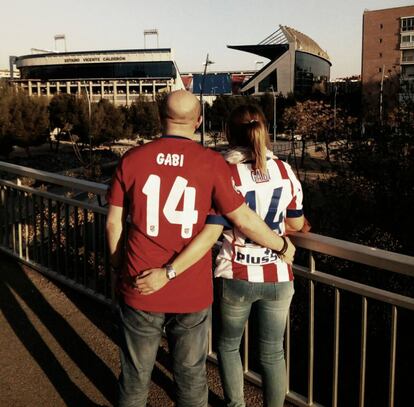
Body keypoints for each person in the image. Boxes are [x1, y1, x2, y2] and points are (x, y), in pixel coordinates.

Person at [105, 91, 296, 407]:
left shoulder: (133, 159)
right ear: (198, 120)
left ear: (160, 118)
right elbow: (235, 222)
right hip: (191, 289)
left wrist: (117, 268)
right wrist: (281, 245)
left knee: (135, 376)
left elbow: (114, 224)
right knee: (192, 377)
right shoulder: (211, 163)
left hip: (138, 282)